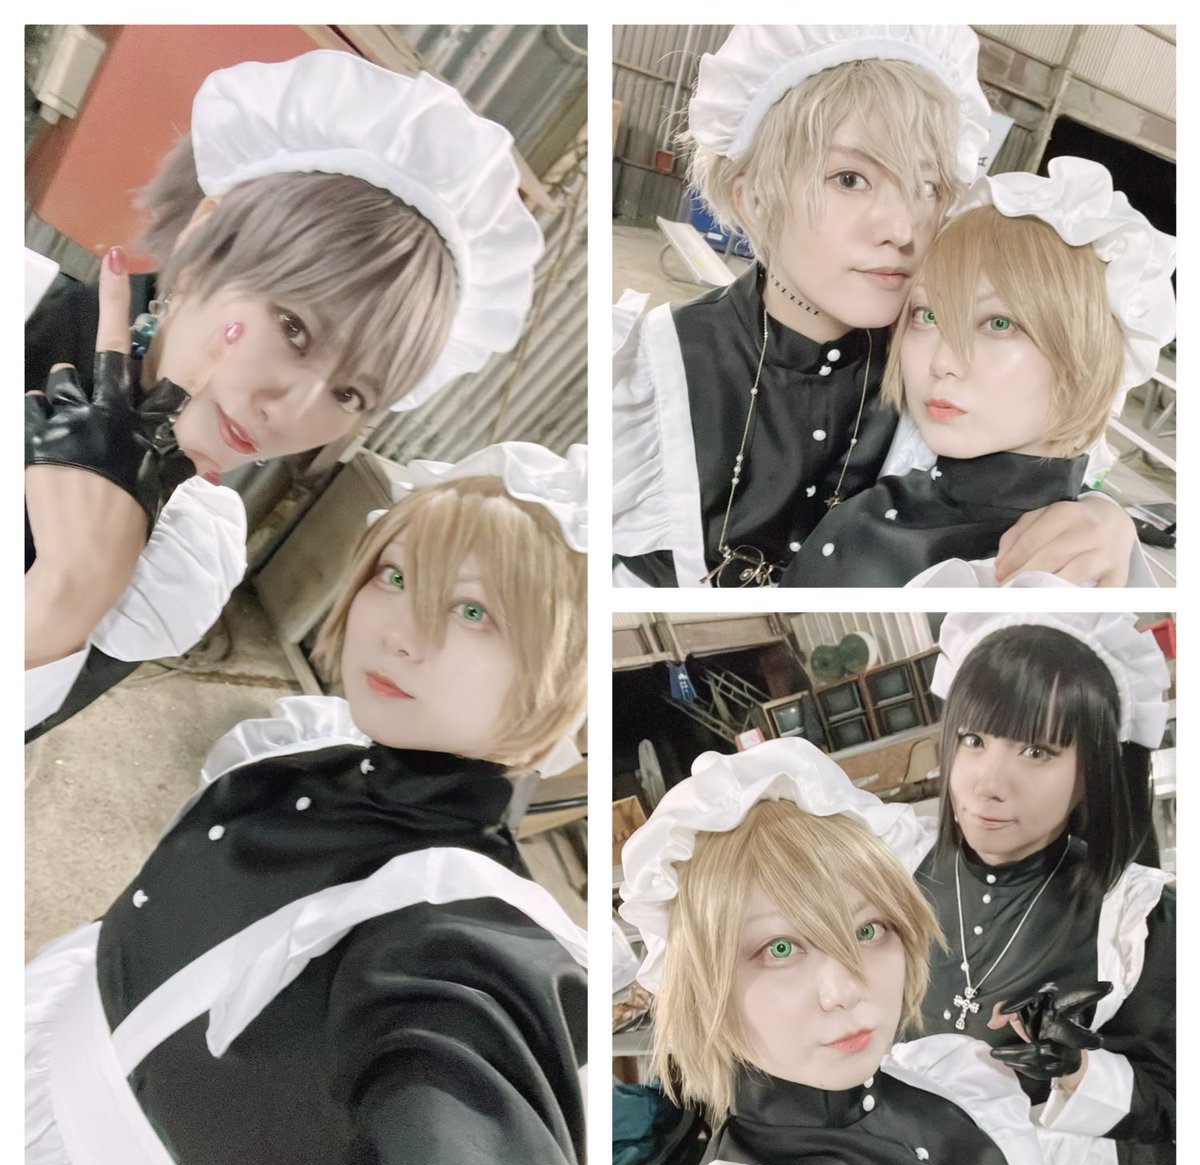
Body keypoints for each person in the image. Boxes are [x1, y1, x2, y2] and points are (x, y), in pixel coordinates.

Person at [25, 442, 589, 1165]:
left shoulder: (455, 930)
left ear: (561, 669)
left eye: (474, 611)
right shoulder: (310, 750)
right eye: (395, 576)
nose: (400, 634)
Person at [25, 49, 543, 736]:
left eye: (352, 394)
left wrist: (69, 591)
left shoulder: (182, 560)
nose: (293, 412)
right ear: (208, 233)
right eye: (294, 328)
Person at [611, 25, 1141, 588]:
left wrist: (1101, 518)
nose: (902, 228)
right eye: (850, 179)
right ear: (755, 197)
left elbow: (1048, 459)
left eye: (929, 188)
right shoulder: (655, 363)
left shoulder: (943, 360)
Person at [618, 740, 1046, 1165]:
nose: (843, 992)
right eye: (780, 948)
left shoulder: (950, 1076)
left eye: (867, 930)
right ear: (701, 984)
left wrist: (1076, 1076)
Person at [780, 158, 1175, 586]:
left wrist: (1108, 518)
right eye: (927, 315)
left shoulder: (1041, 573)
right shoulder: (860, 403)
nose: (942, 362)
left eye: (999, 324)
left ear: (1091, 352)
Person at [913, 612, 1175, 1165]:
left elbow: (1173, 1111)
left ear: (1093, 771)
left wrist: (1078, 1070)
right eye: (973, 740)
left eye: (1036, 752)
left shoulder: (1136, 919)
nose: (988, 783)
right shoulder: (895, 871)